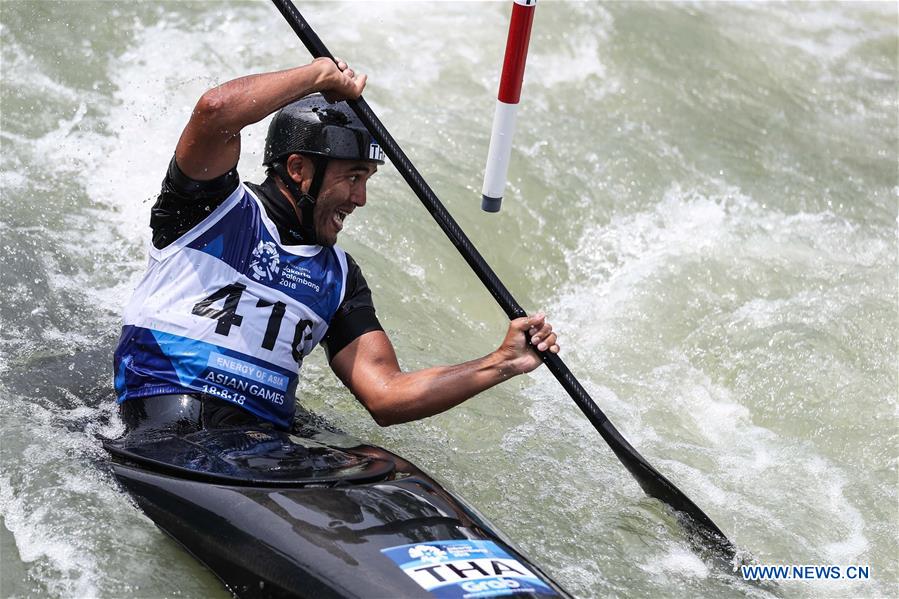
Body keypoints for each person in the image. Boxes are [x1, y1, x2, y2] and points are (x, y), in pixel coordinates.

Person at [113, 57, 560, 437]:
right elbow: (214, 111)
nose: (359, 198)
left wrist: (502, 362)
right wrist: (318, 76)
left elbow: (385, 394)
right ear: (298, 168)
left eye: (366, 180)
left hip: (259, 444)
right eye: (352, 176)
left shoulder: (339, 278)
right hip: (165, 422)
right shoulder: (209, 206)